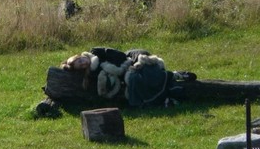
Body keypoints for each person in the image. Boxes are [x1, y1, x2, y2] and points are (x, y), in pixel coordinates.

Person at [60, 47, 197, 106]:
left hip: (130, 57)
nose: (84, 64)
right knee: (134, 81)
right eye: (81, 66)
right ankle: (167, 97)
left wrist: (126, 66)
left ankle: (173, 76)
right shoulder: (93, 72)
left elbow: (119, 55)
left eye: (80, 61)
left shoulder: (96, 52)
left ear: (80, 56)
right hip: (125, 70)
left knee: (137, 75)